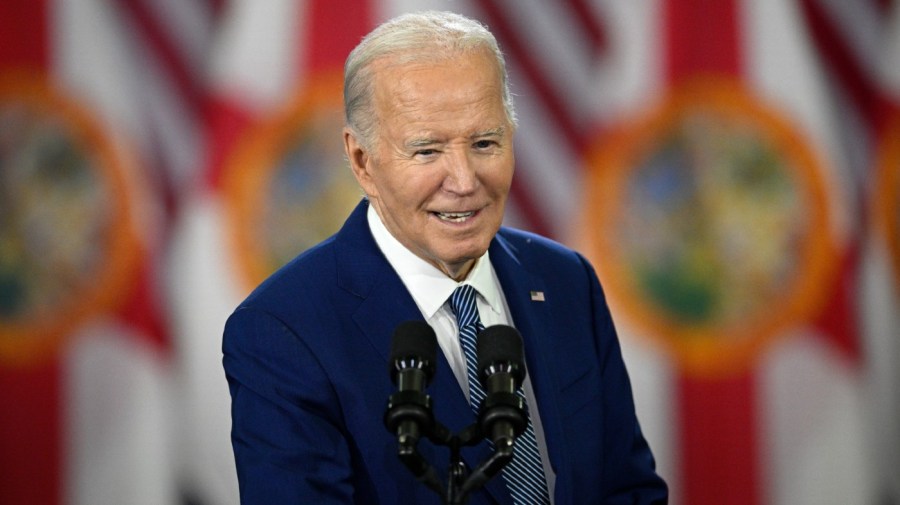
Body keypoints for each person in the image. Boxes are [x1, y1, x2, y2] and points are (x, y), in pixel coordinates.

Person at [223, 10, 667, 505]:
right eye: (428, 151)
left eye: (484, 142)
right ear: (362, 162)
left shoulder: (565, 281)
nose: (463, 181)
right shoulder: (283, 330)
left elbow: (628, 490)